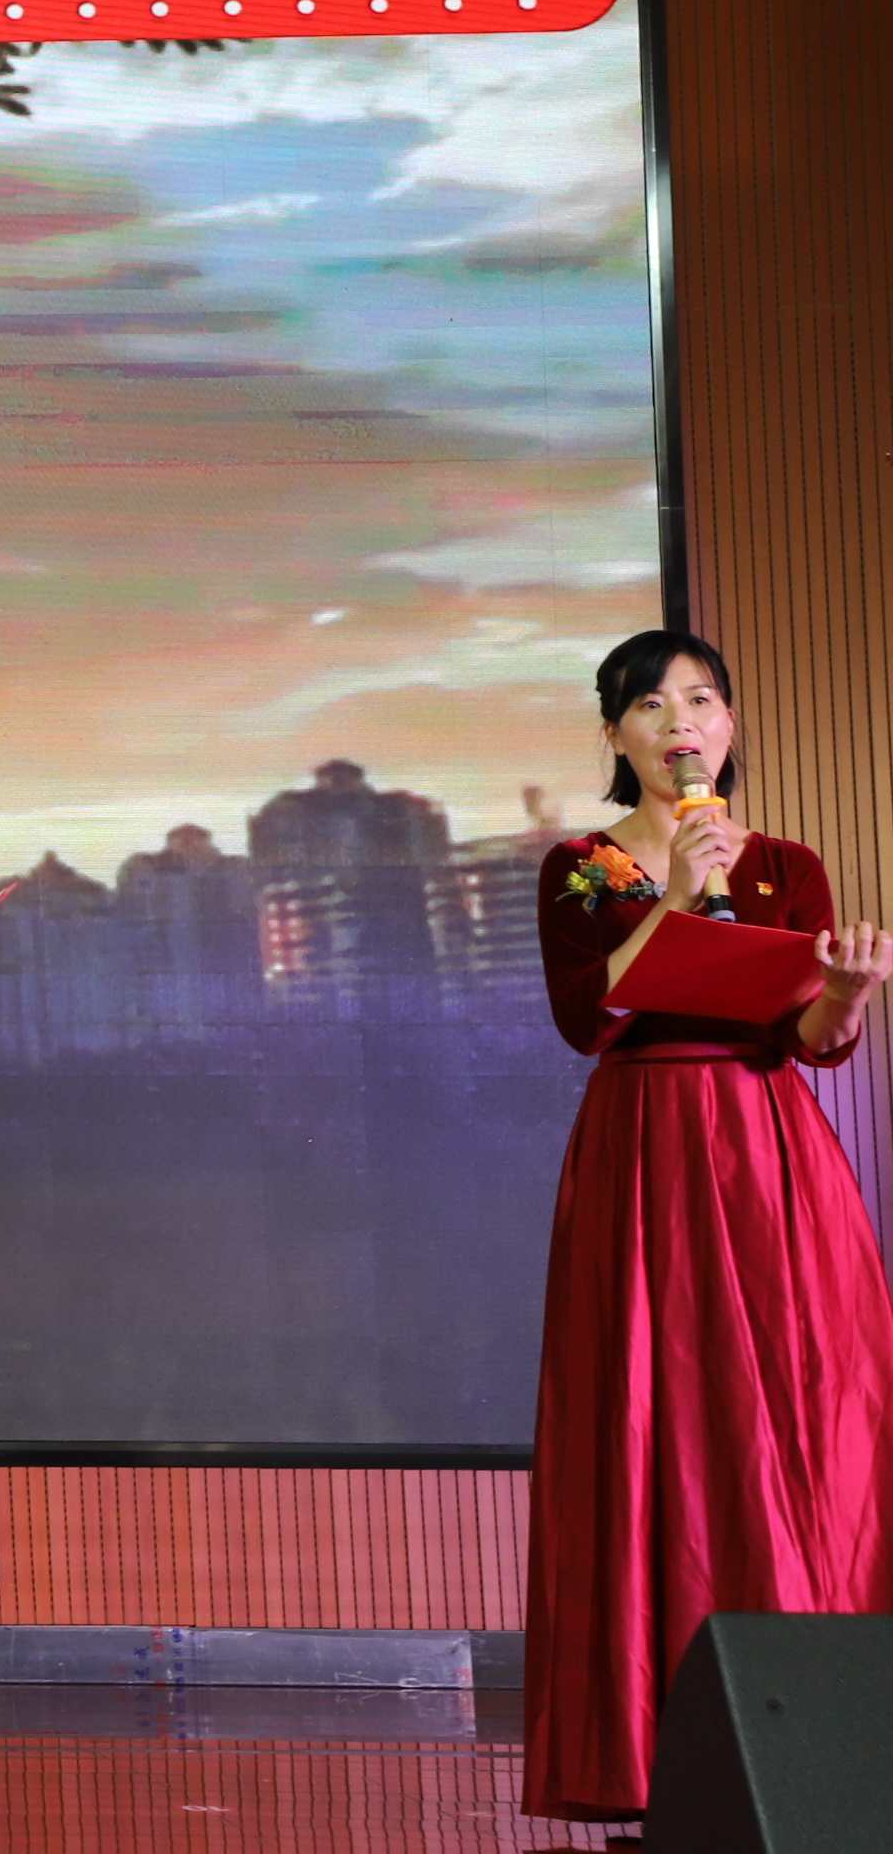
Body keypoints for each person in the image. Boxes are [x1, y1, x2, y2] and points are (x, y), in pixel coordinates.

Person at [521, 627, 893, 1830]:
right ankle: (648, 1750)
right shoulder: (579, 867)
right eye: (649, 704)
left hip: (768, 1149)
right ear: (614, 734)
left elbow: (809, 1038)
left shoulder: (784, 864)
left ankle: (817, 1739)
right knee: (655, 1413)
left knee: (796, 1412)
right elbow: (587, 1015)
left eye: (699, 699)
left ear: (726, 723)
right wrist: (676, 894)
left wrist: (843, 993)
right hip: (642, 1147)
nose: (678, 721)